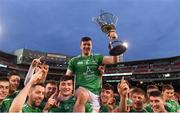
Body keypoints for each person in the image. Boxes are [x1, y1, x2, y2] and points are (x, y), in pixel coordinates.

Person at [66, 32, 119, 112]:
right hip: (81, 90)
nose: (86, 46)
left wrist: (114, 44)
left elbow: (114, 61)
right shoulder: (74, 60)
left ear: (91, 46)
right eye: (84, 44)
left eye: (88, 45)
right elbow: (67, 77)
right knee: (83, 95)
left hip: (95, 94)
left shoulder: (97, 57)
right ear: (80, 46)